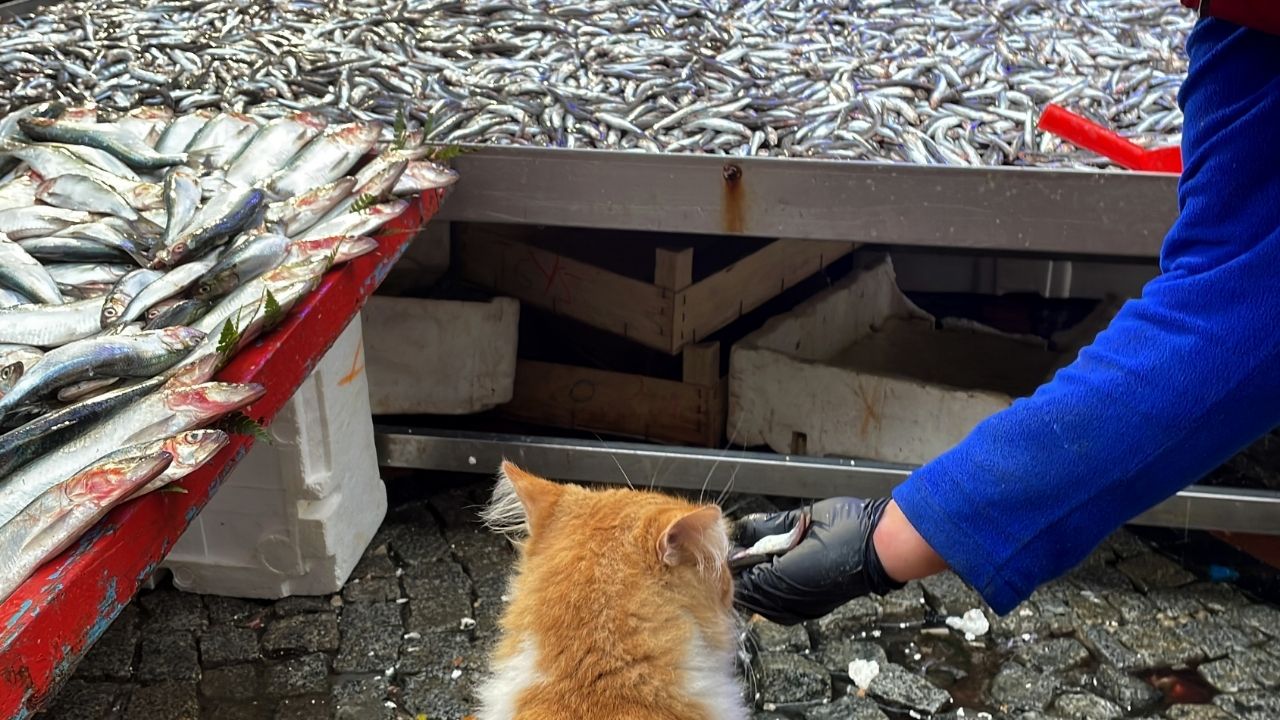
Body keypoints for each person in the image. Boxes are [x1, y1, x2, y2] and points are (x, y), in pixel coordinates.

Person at [732, 11, 1280, 625]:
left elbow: (1232, 317)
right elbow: (1229, 281)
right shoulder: (1248, 32)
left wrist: (888, 536)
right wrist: (887, 533)